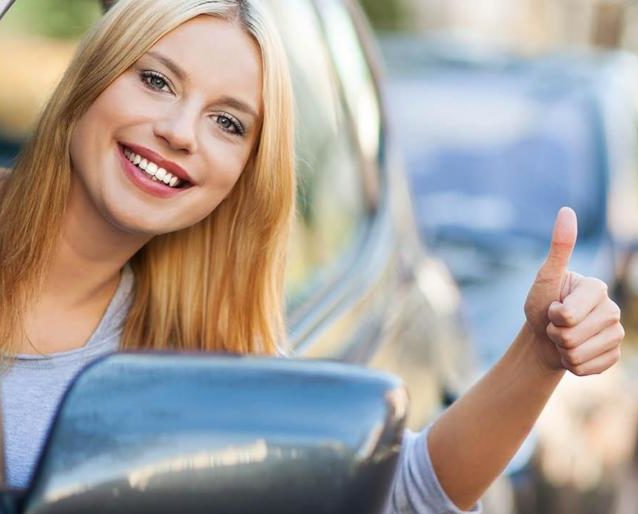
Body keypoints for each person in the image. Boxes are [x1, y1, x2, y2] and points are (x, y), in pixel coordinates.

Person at [0, 0, 624, 513]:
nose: (181, 132)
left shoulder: (205, 354)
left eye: (228, 122)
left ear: (242, 176)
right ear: (89, 79)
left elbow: (398, 491)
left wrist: (539, 355)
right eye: (156, 80)